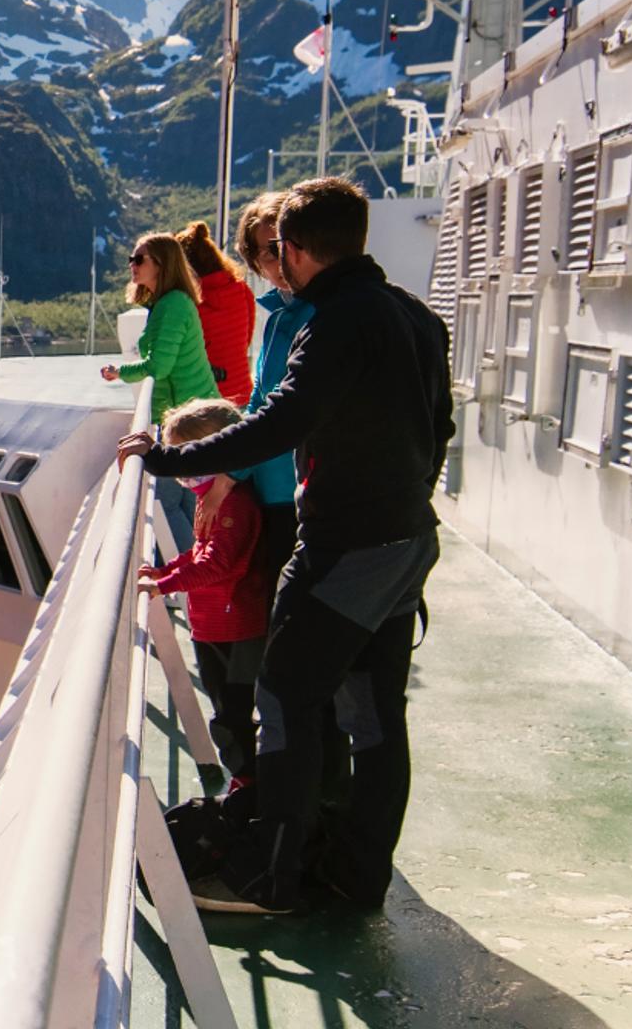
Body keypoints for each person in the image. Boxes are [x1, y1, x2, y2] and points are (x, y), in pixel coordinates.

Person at [117, 177, 454, 916]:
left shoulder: (332, 323)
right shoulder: (415, 316)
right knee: (372, 719)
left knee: (283, 695)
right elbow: (441, 429)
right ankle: (356, 875)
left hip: (345, 545)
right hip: (405, 541)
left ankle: (271, 877)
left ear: (295, 251)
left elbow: (280, 421)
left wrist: (164, 457)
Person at [137, 398, 270, 788]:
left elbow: (217, 563)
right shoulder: (209, 498)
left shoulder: (231, 505)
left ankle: (247, 783)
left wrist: (163, 585)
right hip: (213, 624)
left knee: (233, 713)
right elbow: (198, 552)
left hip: (233, 627)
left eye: (184, 456)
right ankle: (245, 778)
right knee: (225, 708)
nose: (180, 472)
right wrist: (164, 571)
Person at [101, 232, 218, 542]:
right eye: (131, 259)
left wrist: (120, 371)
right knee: (184, 498)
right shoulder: (167, 303)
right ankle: (196, 573)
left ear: (161, 264)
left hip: (186, 419)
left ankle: (188, 573)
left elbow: (158, 366)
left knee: (166, 502)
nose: (132, 265)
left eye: (139, 259)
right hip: (187, 415)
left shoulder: (171, 305)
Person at [230, 193, 313, 586]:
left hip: (293, 490)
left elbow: (277, 408)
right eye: (265, 253)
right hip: (270, 484)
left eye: (281, 247)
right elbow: (259, 395)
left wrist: (229, 474)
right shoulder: (280, 315)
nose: (277, 262)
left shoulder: (313, 315)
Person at [179, 220, 255, 406]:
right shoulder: (242, 290)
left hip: (204, 396)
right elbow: (246, 339)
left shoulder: (189, 301)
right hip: (241, 392)